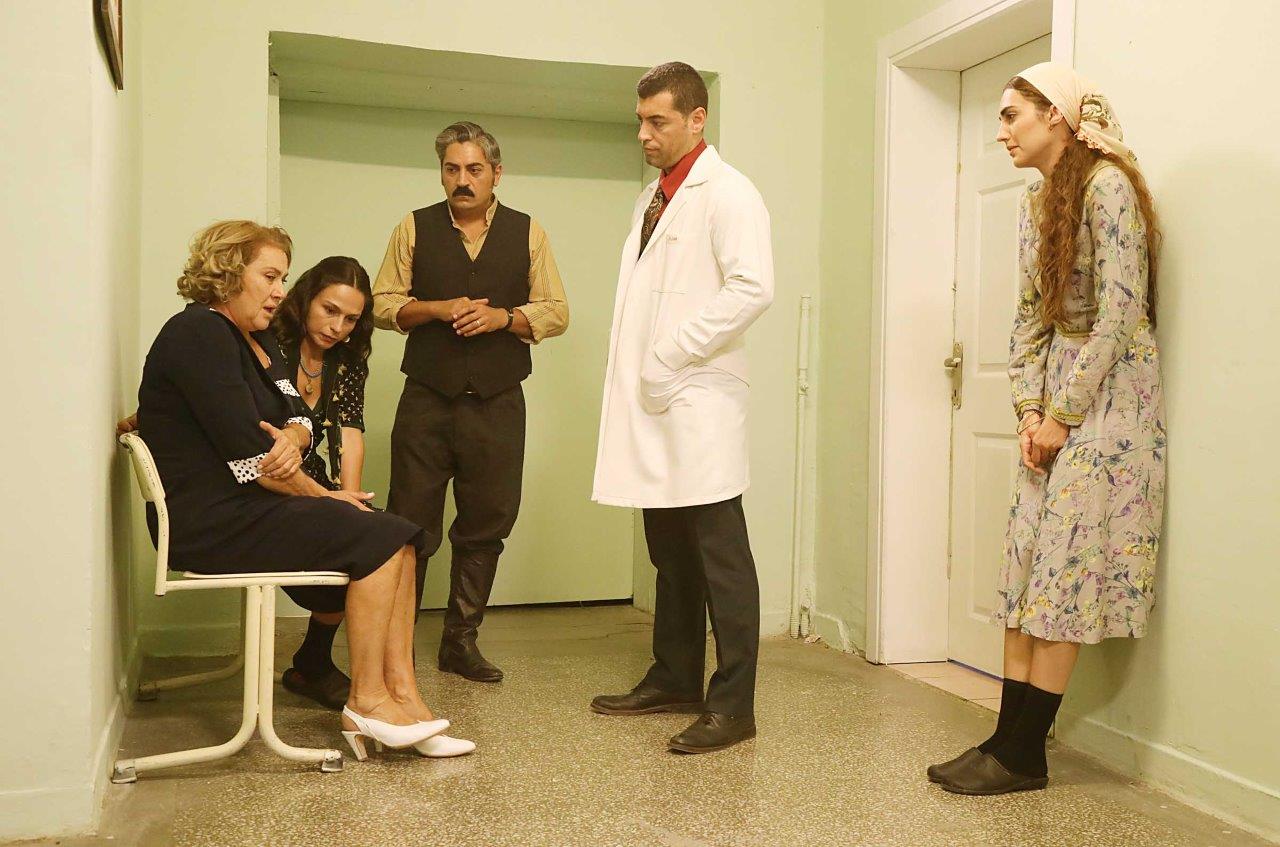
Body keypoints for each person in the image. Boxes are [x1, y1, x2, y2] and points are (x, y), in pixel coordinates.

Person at [135, 220, 457, 761]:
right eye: (270, 276)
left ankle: (406, 698)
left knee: (401, 536)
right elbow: (253, 460)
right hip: (209, 520)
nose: (280, 291)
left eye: (283, 278)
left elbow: (298, 414)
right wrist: (325, 494)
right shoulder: (198, 333)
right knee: (380, 537)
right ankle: (368, 703)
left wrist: (295, 432)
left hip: (248, 504)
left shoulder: (256, 336)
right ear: (228, 272)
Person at [928, 63, 1165, 795]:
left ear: (1055, 116)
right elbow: (1029, 318)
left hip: (1110, 402)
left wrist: (1063, 414)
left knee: (1063, 573)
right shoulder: (1037, 201)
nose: (1001, 131)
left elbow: (1120, 314)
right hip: (1056, 402)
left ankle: (1026, 752)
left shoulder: (1109, 187)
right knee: (1026, 566)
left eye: (1012, 116)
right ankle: (1005, 739)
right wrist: (1029, 411)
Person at [589, 62, 774, 754]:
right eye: (640, 120)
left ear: (697, 120)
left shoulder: (729, 193)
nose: (644, 133)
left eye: (657, 121)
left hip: (698, 398)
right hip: (659, 399)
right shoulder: (653, 197)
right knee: (669, 549)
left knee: (721, 557)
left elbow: (752, 288)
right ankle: (673, 675)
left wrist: (671, 352)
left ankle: (734, 705)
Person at [372, 121, 569, 683]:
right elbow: (382, 303)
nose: (462, 180)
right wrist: (435, 309)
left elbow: (557, 310)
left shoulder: (528, 232)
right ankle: (395, 650)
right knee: (409, 525)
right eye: (452, 169)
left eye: (474, 169)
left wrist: (505, 318)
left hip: (498, 402)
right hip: (426, 399)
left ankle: (460, 643)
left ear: (495, 174)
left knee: (486, 522)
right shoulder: (414, 227)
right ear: (442, 173)